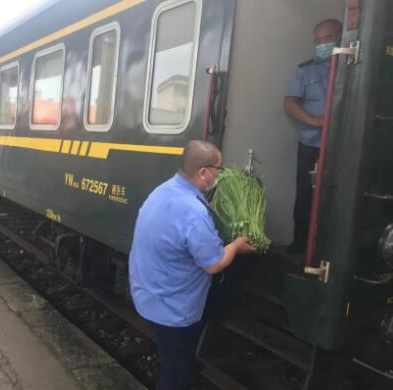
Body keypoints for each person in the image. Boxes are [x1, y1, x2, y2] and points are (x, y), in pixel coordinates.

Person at [129, 140, 255, 390]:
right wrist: (237, 244)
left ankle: (185, 363)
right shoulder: (193, 212)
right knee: (175, 376)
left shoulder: (163, 190)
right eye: (218, 169)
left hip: (147, 292)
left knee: (176, 359)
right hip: (172, 309)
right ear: (203, 173)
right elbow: (214, 264)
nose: (220, 175)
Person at [284, 19, 343, 254]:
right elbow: (290, 102)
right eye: (317, 40)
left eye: (327, 39)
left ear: (341, 38)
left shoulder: (353, 66)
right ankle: (300, 245)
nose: (322, 44)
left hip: (342, 146)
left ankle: (329, 248)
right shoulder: (306, 70)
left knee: (336, 196)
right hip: (311, 144)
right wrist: (318, 122)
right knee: (306, 195)